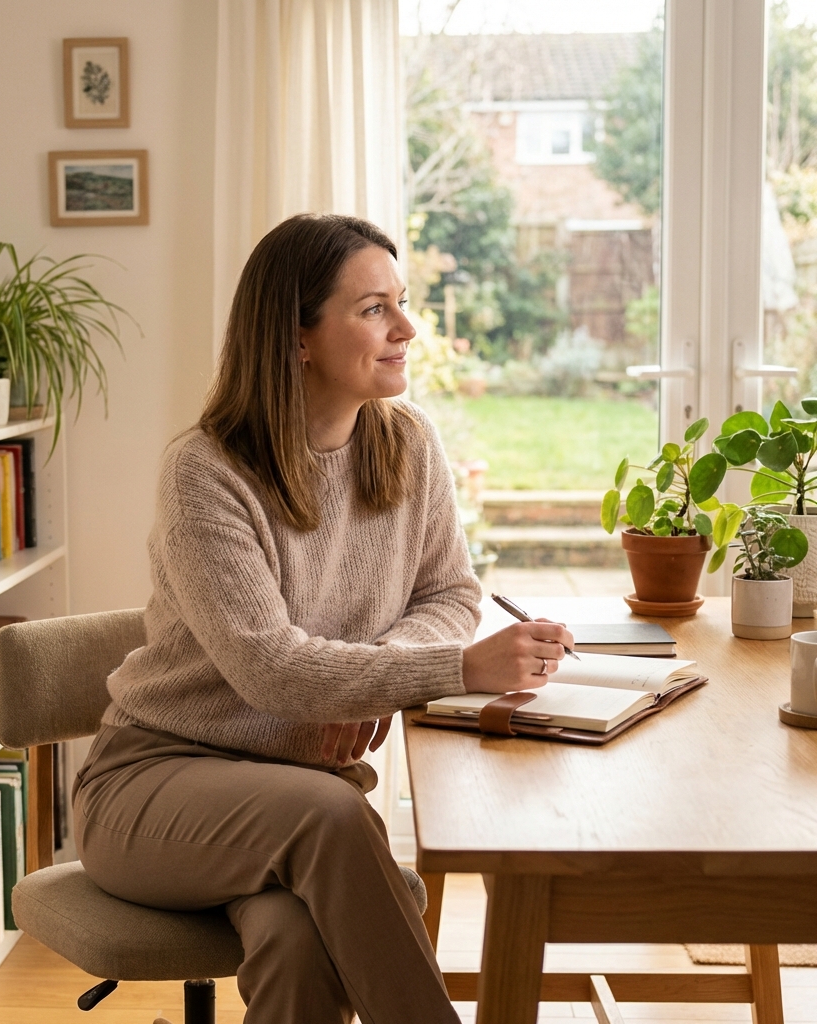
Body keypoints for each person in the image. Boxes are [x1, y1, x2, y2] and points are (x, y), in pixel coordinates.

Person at [72, 213, 572, 1024]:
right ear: (297, 336)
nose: (406, 328)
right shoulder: (205, 471)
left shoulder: (408, 444)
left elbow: (449, 595)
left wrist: (368, 681)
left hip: (293, 802)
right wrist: (458, 668)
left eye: (402, 303)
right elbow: (269, 669)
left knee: (298, 943)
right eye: (375, 308)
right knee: (335, 815)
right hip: (152, 789)